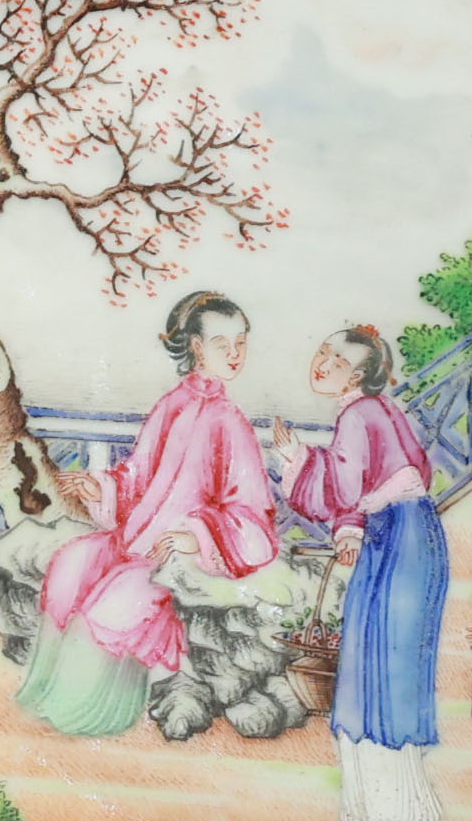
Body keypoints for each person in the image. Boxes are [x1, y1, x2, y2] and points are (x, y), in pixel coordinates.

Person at [20, 291, 286, 738]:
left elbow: (252, 513)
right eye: (222, 344)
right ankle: (42, 698)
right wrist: (103, 488)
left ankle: (85, 715)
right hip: (136, 540)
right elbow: (137, 477)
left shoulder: (230, 421)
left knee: (110, 605)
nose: (235, 354)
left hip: (180, 557)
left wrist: (196, 536)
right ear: (197, 348)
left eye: (241, 343)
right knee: (70, 566)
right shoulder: (171, 405)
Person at [280, 324, 448, 821]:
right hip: (411, 534)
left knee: (376, 662)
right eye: (322, 351)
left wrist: (295, 459)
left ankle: (385, 808)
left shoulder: (358, 415)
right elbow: (374, 483)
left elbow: (344, 488)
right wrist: (350, 529)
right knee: (391, 662)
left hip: (396, 539)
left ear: (356, 376)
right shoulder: (379, 410)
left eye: (337, 360)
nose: (322, 363)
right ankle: (399, 805)